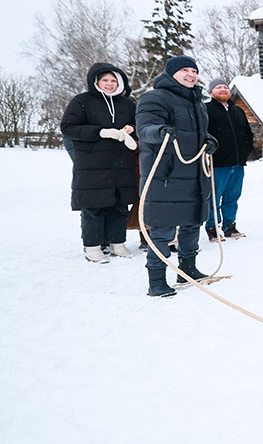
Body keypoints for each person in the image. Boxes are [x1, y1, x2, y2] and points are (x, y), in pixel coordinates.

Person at [136, 56, 218, 297]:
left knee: (192, 223)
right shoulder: (154, 97)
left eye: (194, 70)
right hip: (166, 174)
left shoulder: (197, 102)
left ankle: (188, 270)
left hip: (194, 173)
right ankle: (157, 280)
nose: (191, 75)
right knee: (162, 229)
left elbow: (198, 133)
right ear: (171, 73)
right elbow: (144, 129)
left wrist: (208, 140)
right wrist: (159, 131)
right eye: (185, 70)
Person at [60, 63, 139, 263]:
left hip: (121, 163)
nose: (110, 84)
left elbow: (139, 125)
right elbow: (68, 127)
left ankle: (117, 243)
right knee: (94, 206)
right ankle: (93, 247)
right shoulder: (82, 101)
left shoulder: (127, 104)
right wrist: (100, 132)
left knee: (119, 205)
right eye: (105, 80)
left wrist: (131, 128)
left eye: (114, 81)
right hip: (92, 163)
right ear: (96, 81)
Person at [204, 78, 253, 242]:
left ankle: (230, 226)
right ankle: (212, 228)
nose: (223, 89)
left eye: (225, 87)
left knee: (232, 197)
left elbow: (248, 134)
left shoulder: (237, 111)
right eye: (218, 87)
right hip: (217, 163)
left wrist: (245, 153)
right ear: (211, 92)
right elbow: (203, 134)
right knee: (214, 197)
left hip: (237, 163)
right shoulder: (206, 110)